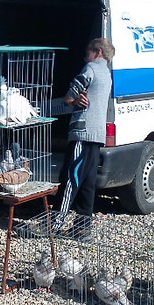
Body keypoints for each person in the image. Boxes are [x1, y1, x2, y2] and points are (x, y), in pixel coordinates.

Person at [54, 38, 115, 235]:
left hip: (82, 132)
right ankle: (83, 227)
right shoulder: (107, 73)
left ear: (97, 52)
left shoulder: (91, 68)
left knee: (71, 178)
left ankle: (54, 223)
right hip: (97, 134)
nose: (84, 57)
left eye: (87, 52)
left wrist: (72, 99)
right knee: (88, 183)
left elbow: (69, 97)